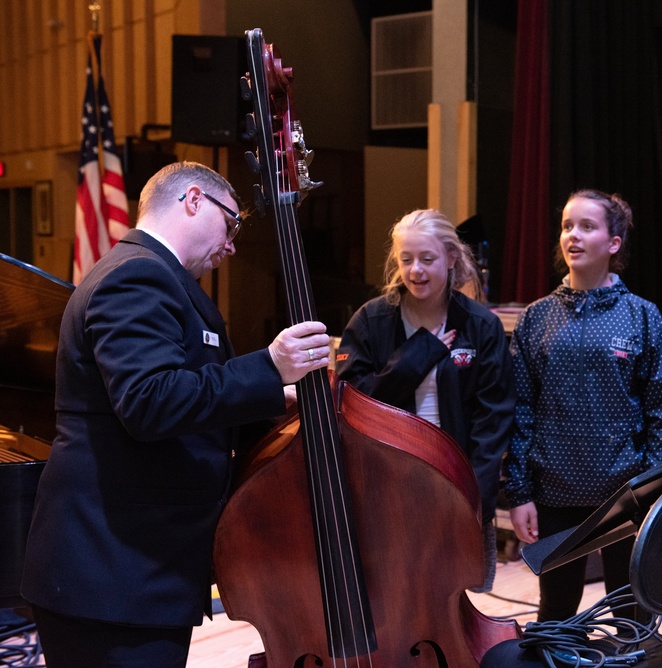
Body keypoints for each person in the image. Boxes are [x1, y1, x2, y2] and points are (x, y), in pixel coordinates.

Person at [20, 161, 331, 668]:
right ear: (193, 200)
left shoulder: (159, 276)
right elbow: (151, 402)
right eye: (230, 224)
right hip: (112, 573)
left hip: (133, 572)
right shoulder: (137, 276)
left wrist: (275, 399)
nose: (231, 245)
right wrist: (269, 367)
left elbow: (188, 402)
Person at [503, 189, 662, 623]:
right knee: (556, 615)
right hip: (553, 493)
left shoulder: (643, 316)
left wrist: (652, 490)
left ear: (614, 243)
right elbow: (520, 409)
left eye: (587, 226)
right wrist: (519, 493)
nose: (574, 235)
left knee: (631, 616)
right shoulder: (536, 317)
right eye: (567, 226)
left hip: (626, 495)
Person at [334, 208, 514, 592]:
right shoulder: (371, 321)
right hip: (387, 484)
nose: (415, 270)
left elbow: (493, 421)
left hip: (456, 483)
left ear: (450, 258)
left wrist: (475, 498)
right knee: (392, 593)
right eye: (406, 259)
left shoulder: (480, 325)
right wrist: (417, 356)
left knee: (455, 593)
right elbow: (352, 402)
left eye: (427, 259)